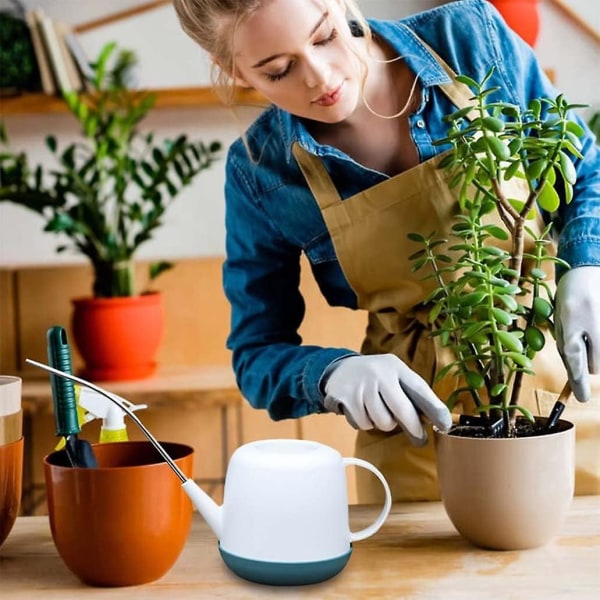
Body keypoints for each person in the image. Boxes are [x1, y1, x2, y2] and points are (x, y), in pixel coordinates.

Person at [173, 0, 600, 501]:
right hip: (416, 438)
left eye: (325, 36)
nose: (320, 77)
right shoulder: (260, 171)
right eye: (280, 70)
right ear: (233, 69)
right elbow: (257, 355)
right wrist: (333, 374)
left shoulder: (467, 40)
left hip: (569, 401)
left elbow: (584, 169)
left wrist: (586, 263)